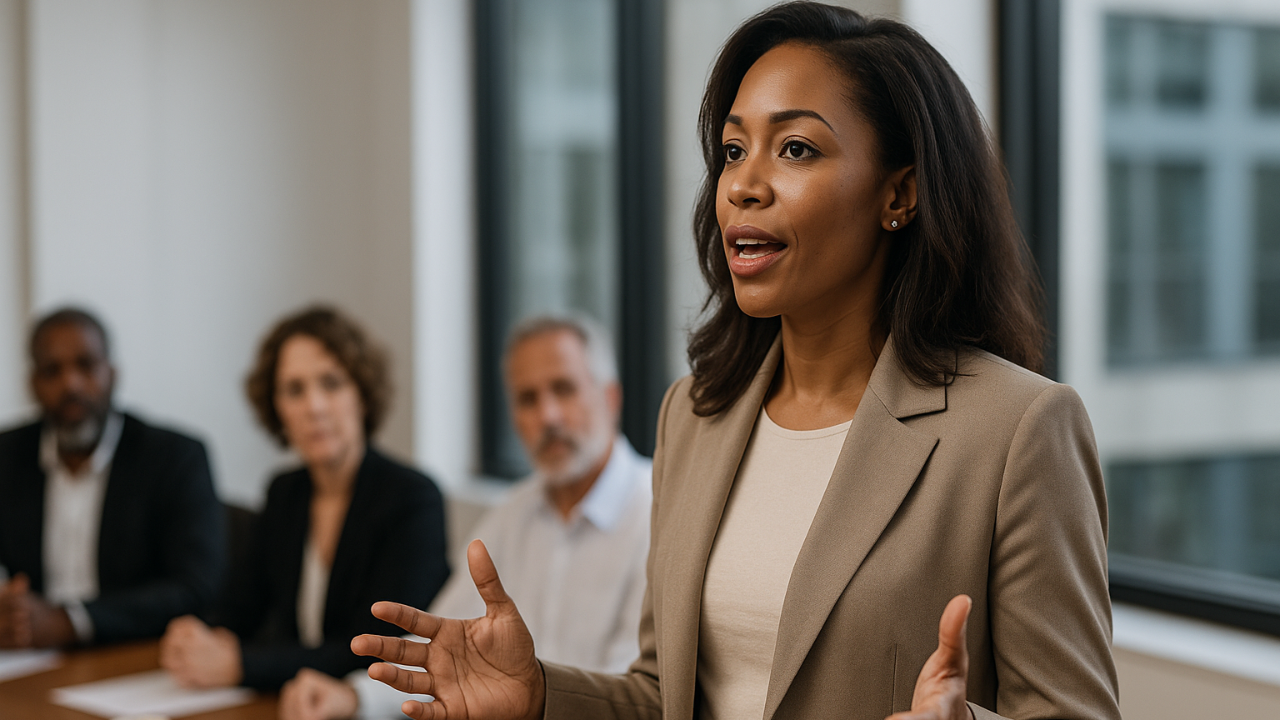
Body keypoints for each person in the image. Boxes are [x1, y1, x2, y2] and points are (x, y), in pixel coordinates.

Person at [354, 3, 1121, 720]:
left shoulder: (1019, 429)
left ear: (901, 193)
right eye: (731, 150)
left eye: (795, 148)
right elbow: (664, 694)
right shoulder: (696, 413)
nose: (743, 186)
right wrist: (541, 694)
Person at [278, 315, 652, 720]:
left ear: (611, 397)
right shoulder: (513, 514)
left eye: (564, 389)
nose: (548, 416)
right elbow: (444, 650)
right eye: (527, 399)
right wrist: (353, 697)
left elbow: (635, 694)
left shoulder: (658, 513)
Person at [159, 306, 449, 692]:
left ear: (361, 395)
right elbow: (240, 608)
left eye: (330, 383)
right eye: (295, 390)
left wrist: (240, 664)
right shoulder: (285, 493)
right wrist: (199, 636)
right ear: (277, 409)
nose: (313, 406)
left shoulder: (413, 500)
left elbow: (378, 650)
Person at [0, 307, 224, 648]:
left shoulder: (173, 457)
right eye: (52, 371)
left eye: (86, 366)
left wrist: (71, 621)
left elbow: (196, 586)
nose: (71, 384)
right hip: (30, 662)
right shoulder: (7, 456)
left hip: (135, 656)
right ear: (32, 384)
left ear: (112, 373)